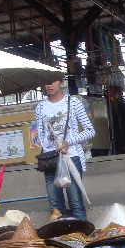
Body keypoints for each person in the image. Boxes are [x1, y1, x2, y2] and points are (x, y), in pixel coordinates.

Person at [35, 75, 96, 220]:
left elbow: (90, 130)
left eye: (53, 81)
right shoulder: (40, 107)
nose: (49, 85)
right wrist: (44, 153)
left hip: (71, 156)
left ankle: (81, 238)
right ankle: (60, 239)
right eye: (46, 82)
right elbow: (41, 135)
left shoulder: (73, 103)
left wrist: (68, 141)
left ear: (61, 82)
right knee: (55, 205)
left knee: (75, 201)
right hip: (50, 159)